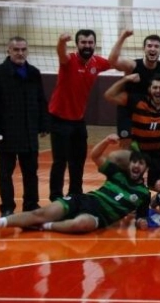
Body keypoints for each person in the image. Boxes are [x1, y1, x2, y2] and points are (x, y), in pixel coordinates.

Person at [0, 134, 151, 235]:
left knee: (81, 224)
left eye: (141, 163)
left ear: (146, 168)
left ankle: (44, 226)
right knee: (40, 212)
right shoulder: (117, 174)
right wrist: (106, 141)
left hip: (100, 216)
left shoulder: (143, 193)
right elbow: (95, 156)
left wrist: (141, 222)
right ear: (129, 164)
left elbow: (141, 218)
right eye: (134, 162)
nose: (137, 166)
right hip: (83, 200)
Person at [0, 36, 50, 217]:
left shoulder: (34, 73)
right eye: (16, 50)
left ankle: (31, 205)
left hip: (29, 132)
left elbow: (41, 100)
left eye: (23, 49)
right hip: (7, 132)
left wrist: (44, 124)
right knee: (5, 174)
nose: (20, 53)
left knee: (31, 172)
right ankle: (7, 207)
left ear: (27, 51)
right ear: (9, 51)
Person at [48, 30, 112, 201]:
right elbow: (61, 53)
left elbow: (114, 61)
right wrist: (62, 41)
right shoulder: (69, 60)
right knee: (60, 161)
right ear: (77, 45)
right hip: (59, 119)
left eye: (90, 42)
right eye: (83, 42)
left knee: (78, 160)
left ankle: (75, 193)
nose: (87, 46)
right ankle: (55, 196)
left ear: (95, 44)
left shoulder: (97, 62)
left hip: (78, 121)